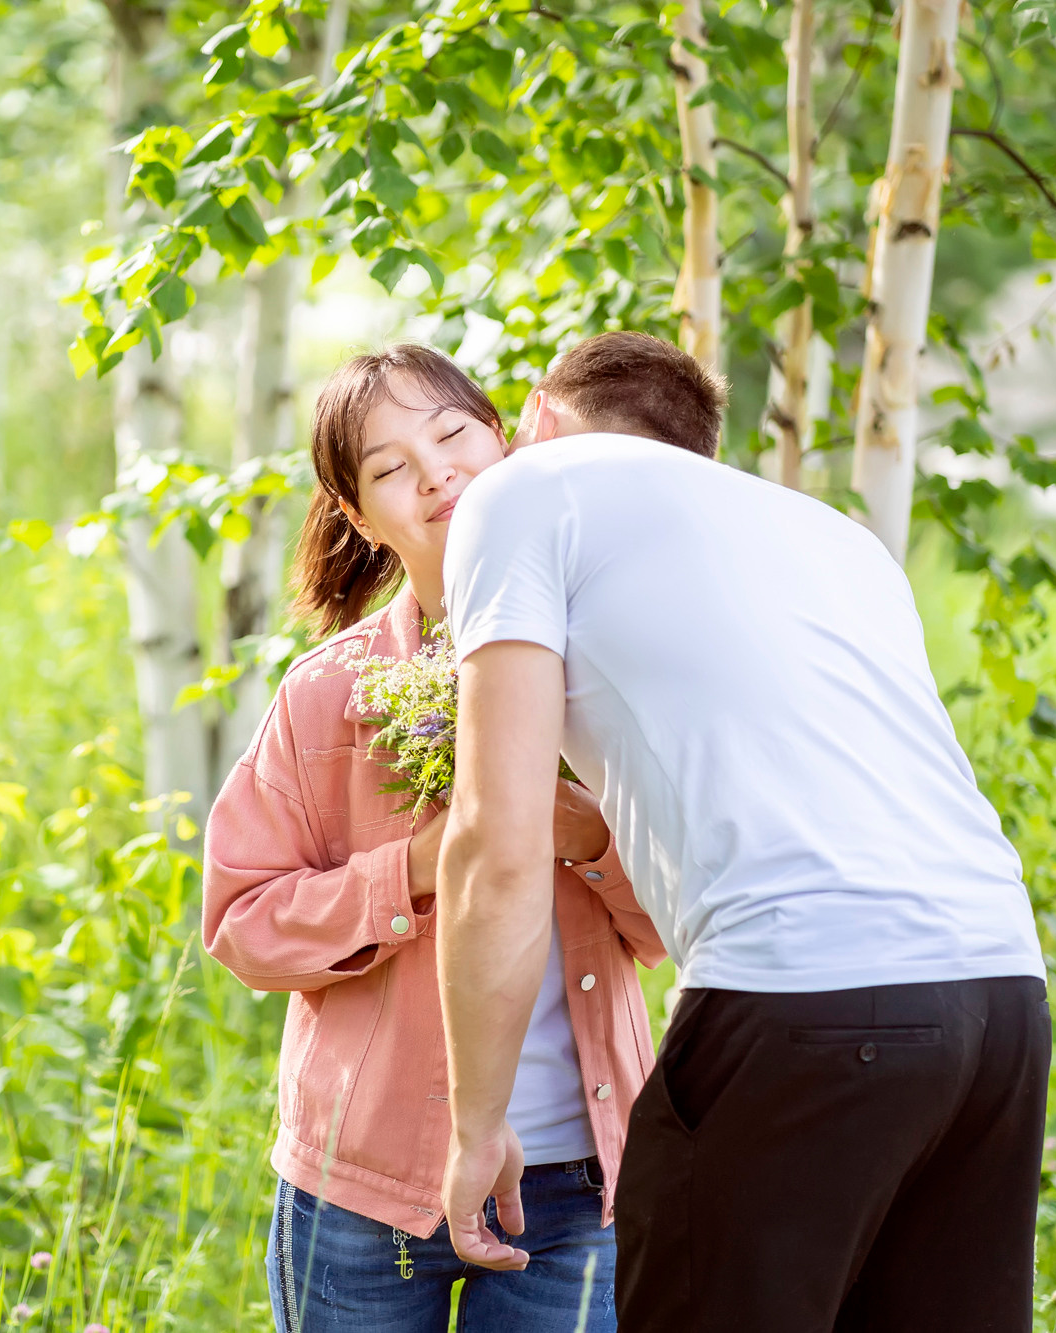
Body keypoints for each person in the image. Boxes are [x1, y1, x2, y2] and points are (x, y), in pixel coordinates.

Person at [435, 330, 1052, 1332]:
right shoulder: (832, 538)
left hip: (801, 998)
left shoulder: (525, 490)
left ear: (538, 421)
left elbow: (491, 844)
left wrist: (473, 1126)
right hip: (998, 1003)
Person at [202, 345, 665, 1333]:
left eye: (452, 434)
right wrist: (407, 868)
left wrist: (584, 835)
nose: (435, 472)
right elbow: (241, 922)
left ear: (505, 439)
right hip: (361, 1189)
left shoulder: (611, 665)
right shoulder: (328, 693)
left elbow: (679, 919)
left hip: (583, 1185)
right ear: (361, 516)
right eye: (387, 466)